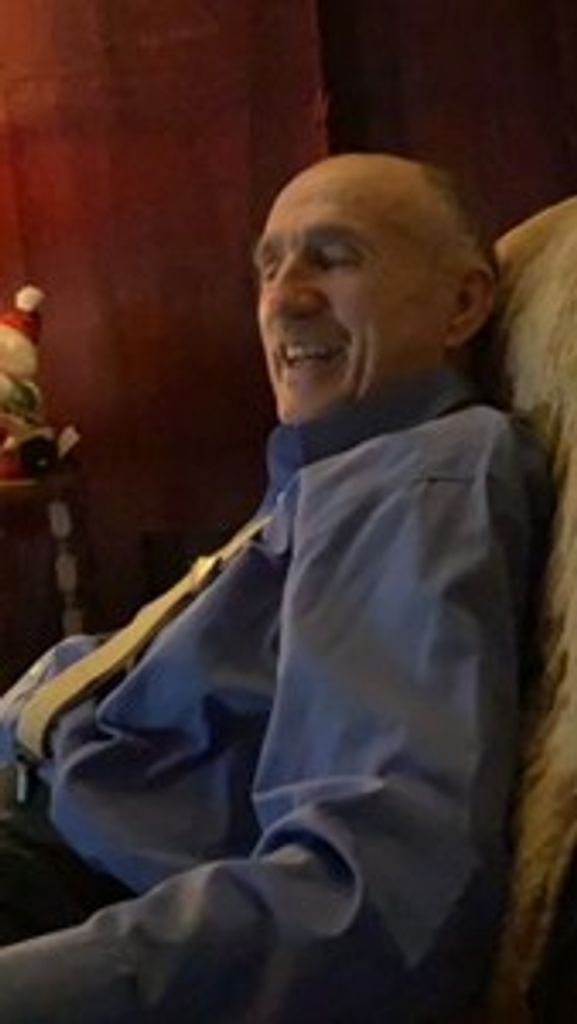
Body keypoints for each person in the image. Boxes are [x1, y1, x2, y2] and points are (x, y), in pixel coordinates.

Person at [0, 153, 549, 1022]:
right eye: (269, 266)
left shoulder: (417, 479)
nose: (282, 300)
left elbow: (369, 901)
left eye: (333, 258)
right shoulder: (331, 471)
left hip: (61, 879)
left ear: (462, 305)